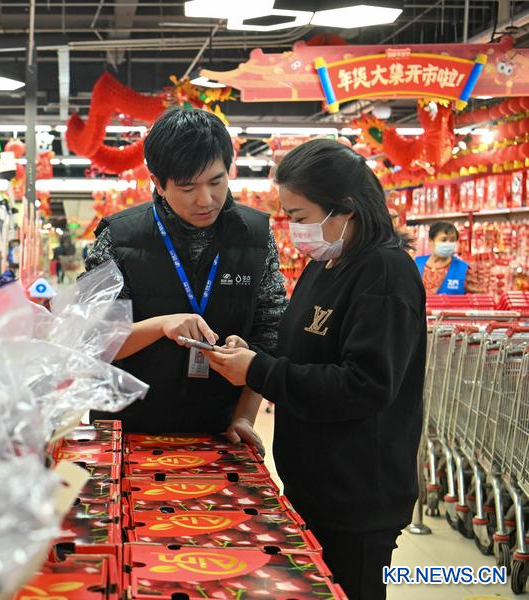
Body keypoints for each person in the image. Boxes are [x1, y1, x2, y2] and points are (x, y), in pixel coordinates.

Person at [201, 139, 426, 600]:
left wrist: (258, 371)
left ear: (345, 210)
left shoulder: (384, 273)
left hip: (358, 495)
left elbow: (365, 385)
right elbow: (300, 351)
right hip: (314, 484)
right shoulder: (324, 265)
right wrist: (251, 355)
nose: (294, 231)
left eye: (300, 217)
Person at [84, 107, 287, 444]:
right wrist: (161, 326)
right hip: (128, 430)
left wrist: (244, 416)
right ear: (158, 184)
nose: (205, 200)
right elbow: (93, 339)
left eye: (216, 181)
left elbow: (271, 332)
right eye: (187, 187)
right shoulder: (118, 238)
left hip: (219, 431)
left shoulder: (255, 235)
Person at [414, 221, 474, 295]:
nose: (448, 243)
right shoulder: (415, 263)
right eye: (443, 240)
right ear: (431, 241)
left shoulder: (463, 269)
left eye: (452, 240)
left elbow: (474, 300)